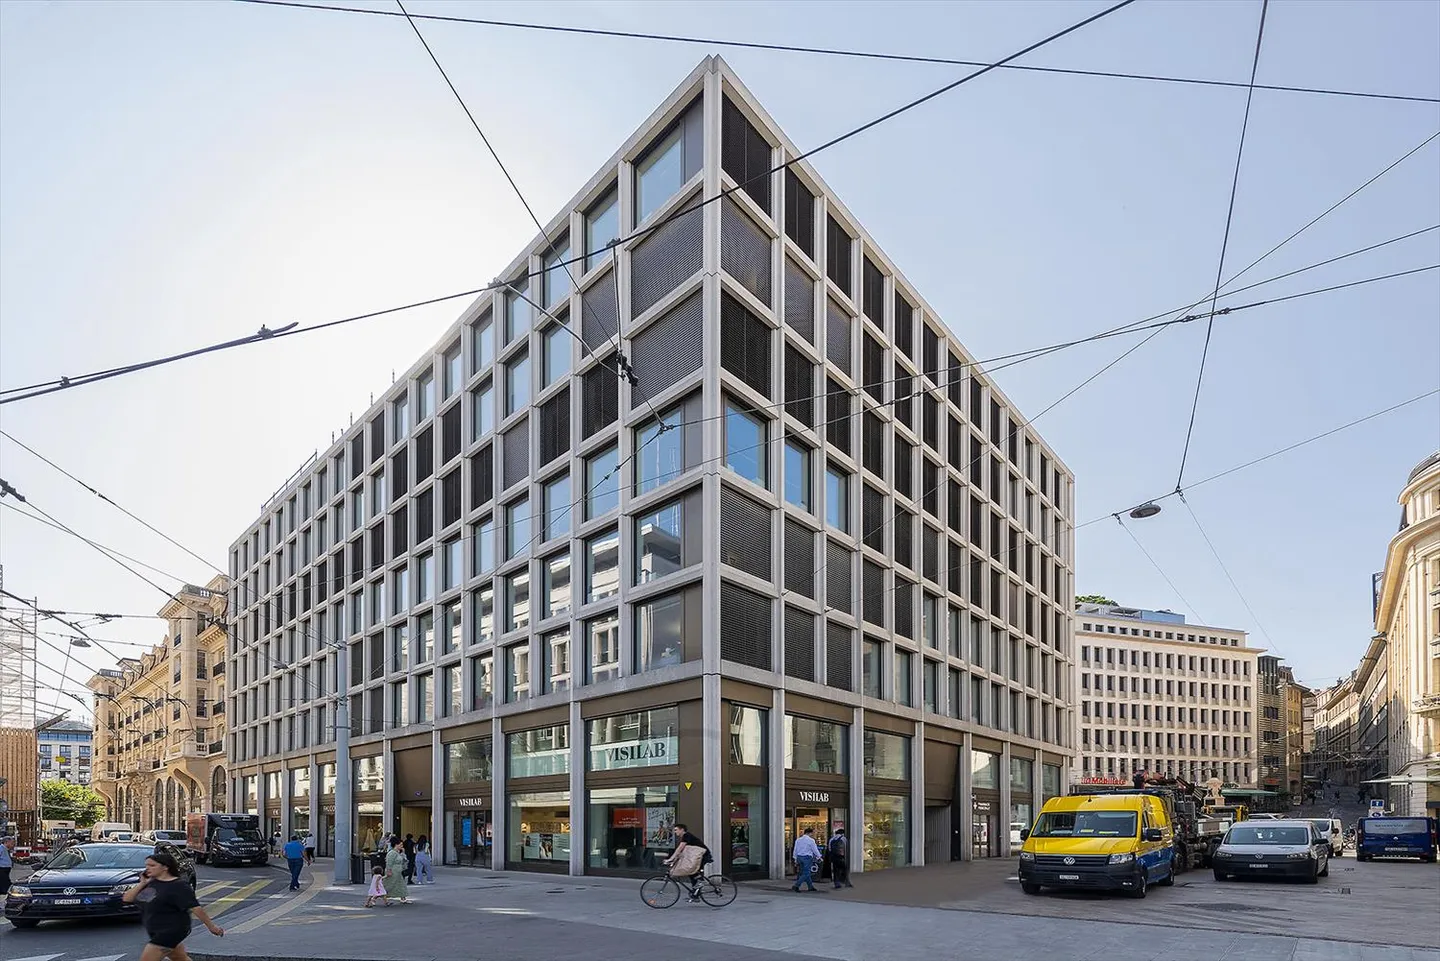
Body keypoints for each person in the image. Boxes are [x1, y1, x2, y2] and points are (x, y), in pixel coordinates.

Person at [123, 850, 224, 961]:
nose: (148, 868)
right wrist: (142, 883)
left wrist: (212, 927)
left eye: (152, 865)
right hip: (156, 930)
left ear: (165, 867)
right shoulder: (152, 883)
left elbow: (195, 907)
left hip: (170, 931)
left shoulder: (179, 886)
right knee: (180, 958)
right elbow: (127, 898)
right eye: (147, 865)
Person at [664, 824, 710, 902]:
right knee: (691, 873)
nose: (675, 832)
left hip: (703, 856)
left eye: (676, 830)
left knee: (694, 873)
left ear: (682, 830)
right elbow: (681, 851)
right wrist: (673, 859)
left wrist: (670, 859)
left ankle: (701, 881)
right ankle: (695, 895)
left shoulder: (686, 835)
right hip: (698, 856)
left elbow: (680, 848)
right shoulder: (684, 837)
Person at [791, 826, 822, 893]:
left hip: (799, 857)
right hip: (807, 858)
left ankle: (810, 886)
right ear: (810, 833)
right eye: (812, 833)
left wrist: (795, 858)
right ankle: (796, 885)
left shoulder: (798, 840)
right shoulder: (811, 840)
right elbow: (815, 850)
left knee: (803, 872)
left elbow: (795, 849)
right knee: (806, 873)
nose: (812, 835)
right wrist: (819, 856)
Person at [383, 838, 410, 904]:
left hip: (398, 872)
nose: (402, 846)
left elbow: (404, 860)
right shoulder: (392, 853)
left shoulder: (398, 853)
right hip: (393, 871)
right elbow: (389, 862)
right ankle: (375, 897)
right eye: (400, 845)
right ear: (396, 845)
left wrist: (403, 853)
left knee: (401, 884)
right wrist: (389, 871)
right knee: (389, 885)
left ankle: (403, 898)